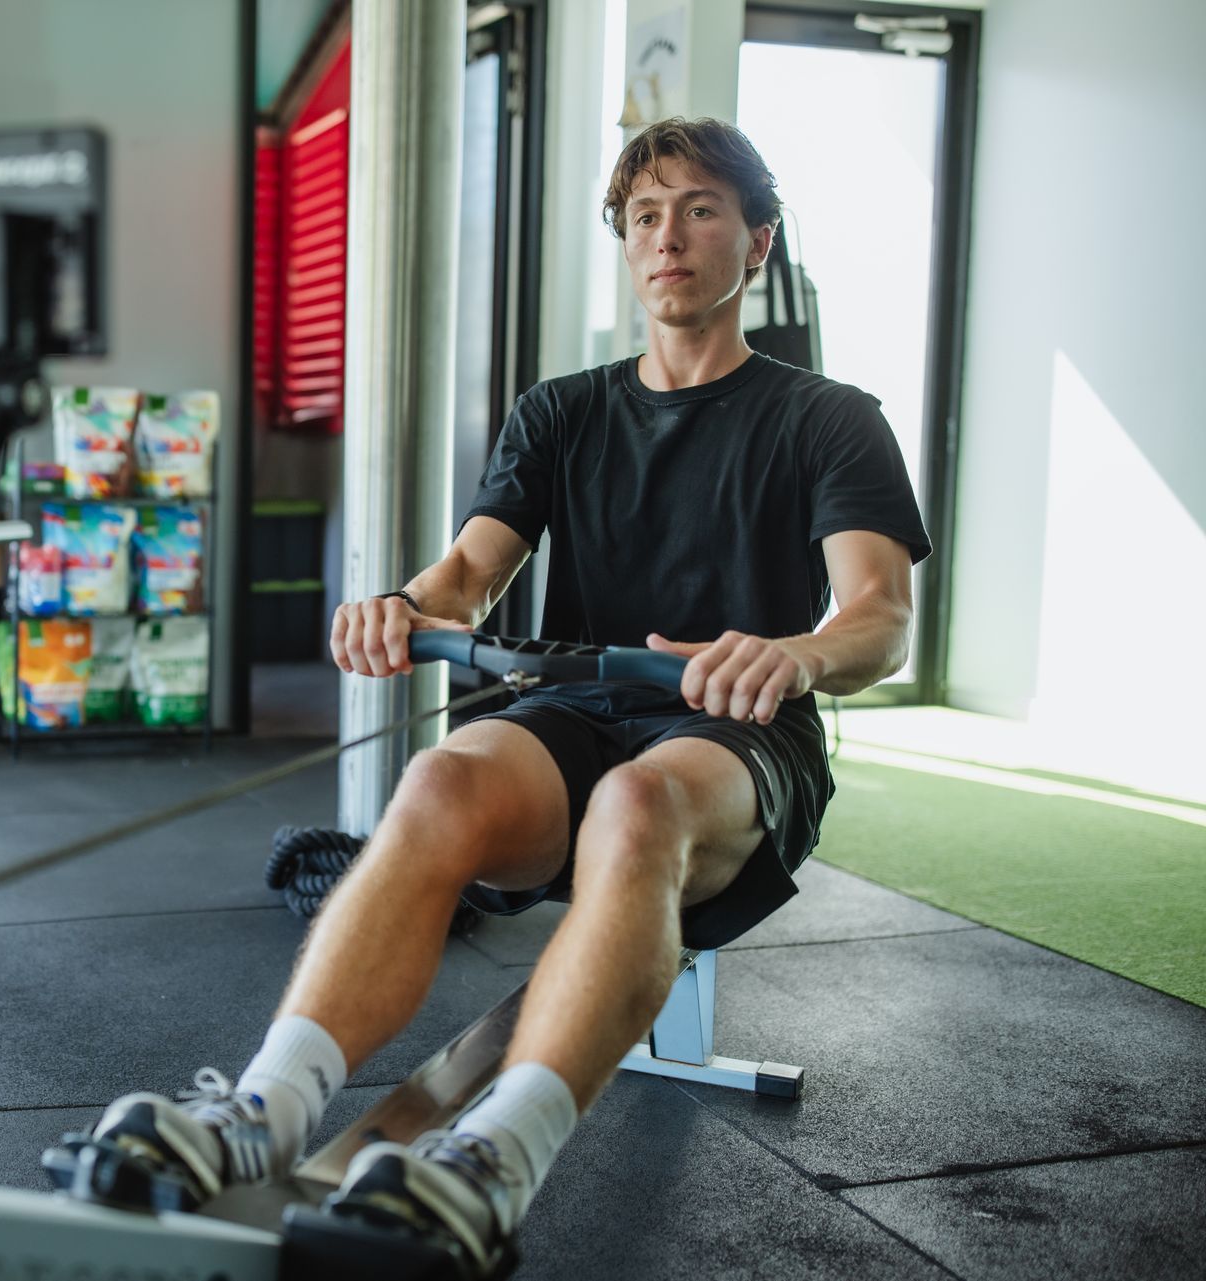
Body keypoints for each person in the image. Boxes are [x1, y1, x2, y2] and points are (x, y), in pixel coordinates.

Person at [72, 117, 932, 1273]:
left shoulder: (831, 420)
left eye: (699, 210)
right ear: (625, 244)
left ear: (757, 243)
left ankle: (493, 1166)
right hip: (580, 704)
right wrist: (402, 604)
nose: (667, 236)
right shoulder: (564, 410)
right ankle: (261, 1113)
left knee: (638, 811)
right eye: (643, 216)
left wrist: (796, 654)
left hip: (740, 728)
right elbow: (469, 572)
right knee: (439, 780)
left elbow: (877, 615)